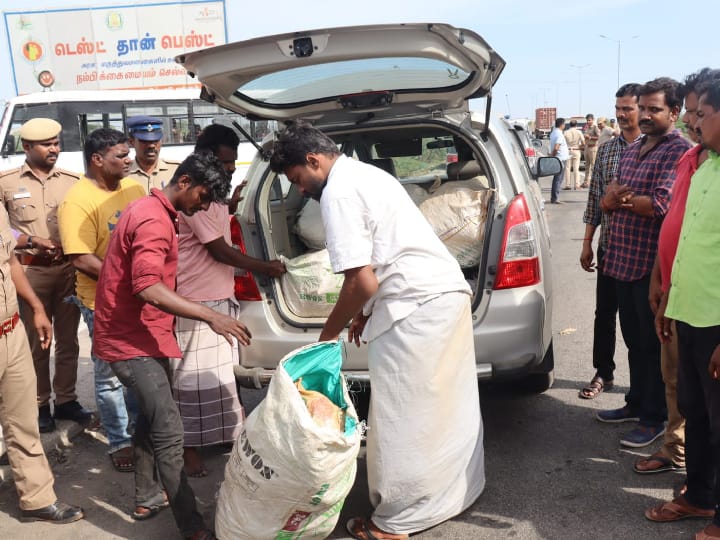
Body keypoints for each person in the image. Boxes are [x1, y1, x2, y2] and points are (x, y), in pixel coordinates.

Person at [269, 121, 485, 540]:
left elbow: (362, 280)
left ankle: (396, 522)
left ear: (314, 160)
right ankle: (453, 495)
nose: (299, 190)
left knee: (402, 416)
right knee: (446, 411)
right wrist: (364, 313)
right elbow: (381, 259)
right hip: (442, 294)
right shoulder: (366, 173)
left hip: (415, 307)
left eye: (297, 178)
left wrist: (326, 336)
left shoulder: (338, 192)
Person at [92, 152, 250, 540]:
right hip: (131, 341)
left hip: (147, 334)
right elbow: (146, 285)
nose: (203, 205)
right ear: (183, 183)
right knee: (169, 429)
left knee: (151, 418)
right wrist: (209, 315)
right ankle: (192, 525)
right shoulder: (151, 220)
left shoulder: (154, 210)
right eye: (202, 197)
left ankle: (147, 496)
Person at [172, 124, 285, 477]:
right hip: (196, 299)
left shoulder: (214, 196)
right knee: (190, 381)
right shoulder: (198, 198)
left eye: (234, 162)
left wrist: (231, 203)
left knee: (218, 379)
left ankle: (217, 439)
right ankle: (187, 449)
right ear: (204, 159)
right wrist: (264, 266)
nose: (231, 168)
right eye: (225, 162)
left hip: (219, 296)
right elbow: (220, 251)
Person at [596, 77, 692, 448]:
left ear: (674, 112)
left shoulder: (677, 152)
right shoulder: (636, 146)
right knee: (634, 341)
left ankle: (654, 418)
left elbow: (661, 205)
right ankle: (636, 403)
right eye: (645, 108)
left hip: (650, 269)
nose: (647, 115)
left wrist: (620, 199)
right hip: (621, 261)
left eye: (655, 109)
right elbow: (611, 190)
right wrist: (617, 198)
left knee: (654, 347)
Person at [634, 69, 720, 476]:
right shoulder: (699, 163)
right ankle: (688, 471)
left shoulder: (690, 153)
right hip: (681, 295)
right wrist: (663, 282)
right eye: (691, 112)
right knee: (682, 390)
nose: (692, 121)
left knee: (707, 407)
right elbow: (682, 232)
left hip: (711, 312)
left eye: (698, 112)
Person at [58, 128, 147, 473]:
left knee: (140, 371)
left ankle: (140, 433)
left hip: (139, 296)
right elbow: (80, 257)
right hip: (101, 302)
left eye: (128, 154)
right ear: (97, 160)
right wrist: (127, 283)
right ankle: (120, 440)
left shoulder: (134, 189)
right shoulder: (77, 200)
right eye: (121, 156)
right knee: (110, 375)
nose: (129, 160)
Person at [0, 118, 91, 433]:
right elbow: (3, 228)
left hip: (67, 270)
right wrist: (29, 240)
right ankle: (40, 403)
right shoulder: (7, 182)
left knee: (68, 340)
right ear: (27, 147)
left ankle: (66, 399)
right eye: (46, 144)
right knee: (37, 341)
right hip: (29, 271)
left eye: (56, 142)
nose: (54, 148)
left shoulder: (73, 180)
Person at [0, 204, 84, 524]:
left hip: (11, 332)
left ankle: (36, 498)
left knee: (23, 421)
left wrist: (35, 307)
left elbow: (10, 260)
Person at [579, 83, 642, 400]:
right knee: (604, 314)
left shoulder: (653, 150)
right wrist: (587, 241)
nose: (621, 114)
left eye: (627, 108)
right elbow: (594, 200)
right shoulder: (606, 151)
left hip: (643, 255)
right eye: (618, 108)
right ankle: (603, 372)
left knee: (637, 323)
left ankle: (642, 387)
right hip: (609, 249)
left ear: (641, 109)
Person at [125, 115, 180, 193]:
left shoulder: (176, 170)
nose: (151, 145)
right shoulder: (123, 174)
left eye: (156, 140)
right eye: (144, 141)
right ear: (131, 142)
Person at [549, 117, 569, 203]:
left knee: (557, 178)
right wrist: (553, 156)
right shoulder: (559, 134)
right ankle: (555, 198)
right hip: (560, 158)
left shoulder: (553, 132)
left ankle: (554, 197)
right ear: (562, 125)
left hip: (558, 157)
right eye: (564, 124)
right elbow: (557, 147)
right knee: (558, 179)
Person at [563, 119, 585, 190]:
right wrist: (581, 148)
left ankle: (567, 185)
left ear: (570, 125)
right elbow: (583, 143)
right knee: (576, 168)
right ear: (576, 125)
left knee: (567, 168)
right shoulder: (579, 132)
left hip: (568, 150)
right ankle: (577, 185)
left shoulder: (565, 132)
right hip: (576, 150)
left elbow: (563, 143)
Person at [582, 113, 600, 188]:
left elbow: (599, 137)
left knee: (593, 166)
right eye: (587, 120)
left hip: (593, 148)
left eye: (589, 120)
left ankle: (595, 182)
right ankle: (586, 182)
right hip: (587, 147)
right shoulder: (586, 128)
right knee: (587, 166)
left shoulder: (595, 128)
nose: (588, 121)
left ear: (593, 120)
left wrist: (590, 137)